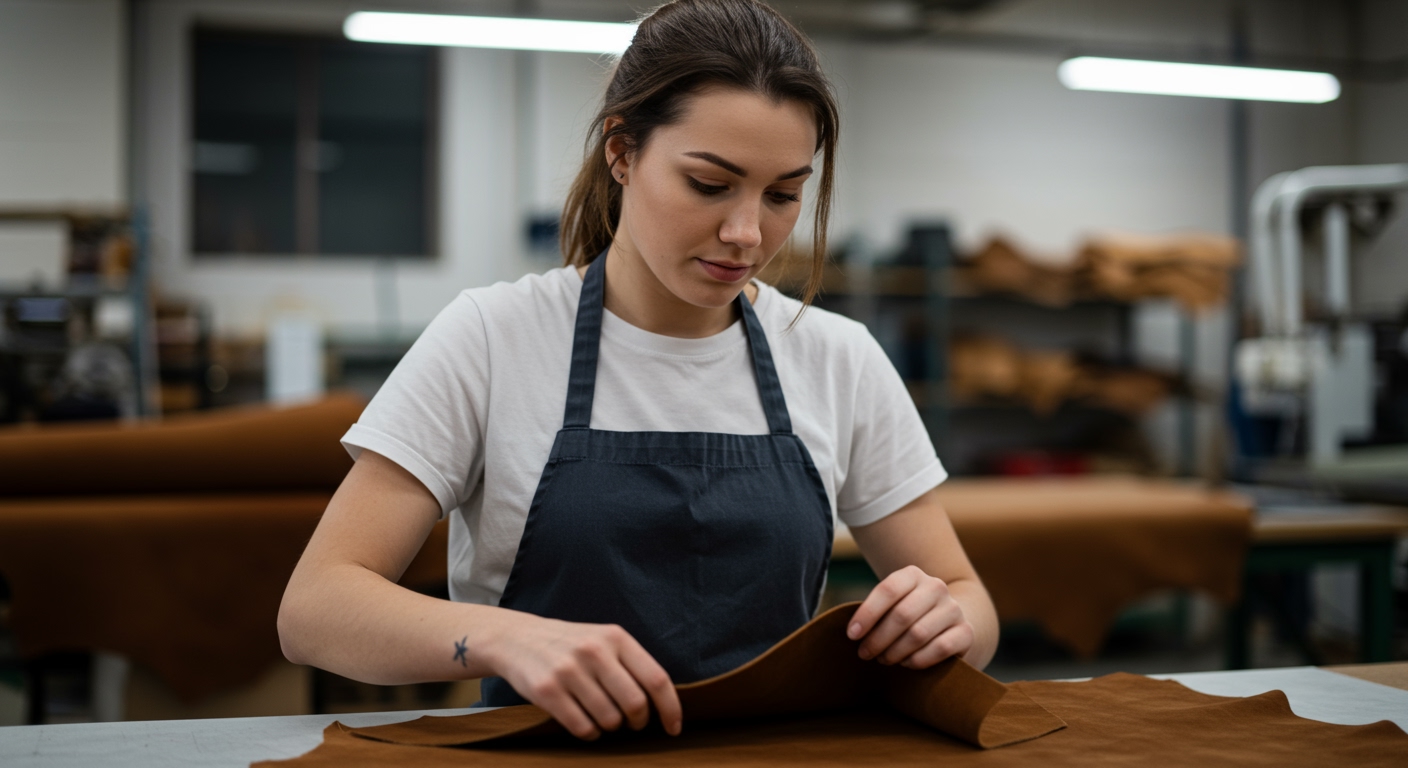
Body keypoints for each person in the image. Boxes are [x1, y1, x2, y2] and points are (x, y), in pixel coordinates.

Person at [278, 0, 997, 742]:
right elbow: (316, 609)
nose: (748, 233)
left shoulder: (835, 355)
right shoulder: (494, 338)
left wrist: (945, 625)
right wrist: (499, 637)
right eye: (710, 185)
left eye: (783, 194)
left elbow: (969, 600)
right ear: (621, 152)